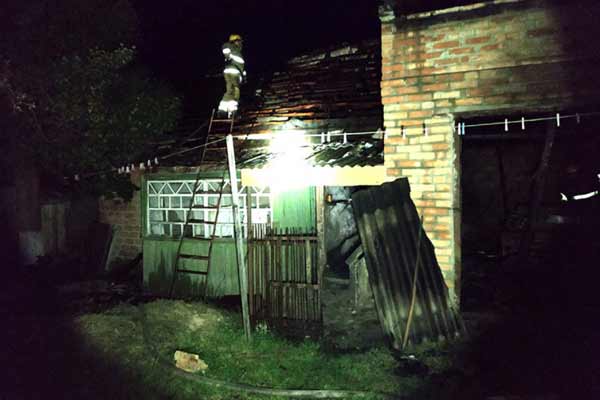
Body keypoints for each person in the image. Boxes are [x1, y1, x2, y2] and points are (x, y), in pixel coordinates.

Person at [218, 34, 246, 117]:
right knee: (235, 91)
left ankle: (222, 110)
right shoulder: (230, 46)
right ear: (235, 41)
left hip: (233, 71)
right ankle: (233, 110)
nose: (240, 43)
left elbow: (241, 65)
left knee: (230, 91)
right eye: (239, 41)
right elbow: (225, 48)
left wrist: (244, 76)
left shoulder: (237, 51)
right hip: (233, 71)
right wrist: (228, 56)